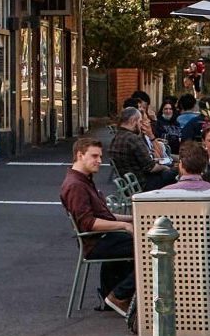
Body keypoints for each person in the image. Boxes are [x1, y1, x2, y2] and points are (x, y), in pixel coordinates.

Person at [59, 137, 136, 317]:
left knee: (137, 239)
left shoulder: (83, 180)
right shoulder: (76, 185)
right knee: (146, 247)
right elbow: (88, 223)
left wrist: (132, 219)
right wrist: (124, 225)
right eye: (94, 156)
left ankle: (115, 294)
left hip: (102, 238)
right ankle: (119, 296)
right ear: (79, 155)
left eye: (100, 157)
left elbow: (103, 216)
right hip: (96, 242)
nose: (100, 161)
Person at [108, 107, 171, 190]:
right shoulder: (133, 139)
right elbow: (151, 168)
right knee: (175, 174)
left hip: (128, 185)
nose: (141, 125)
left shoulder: (115, 138)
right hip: (143, 184)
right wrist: (166, 168)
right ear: (133, 121)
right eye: (140, 121)